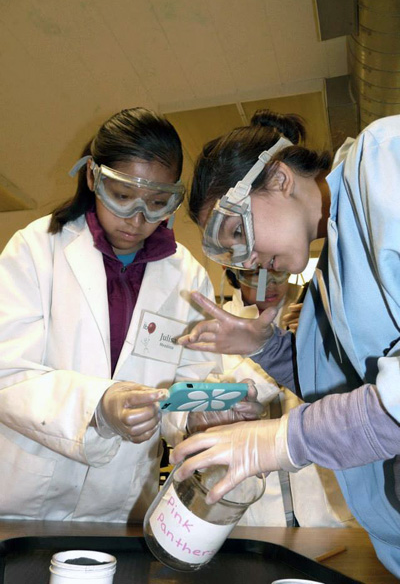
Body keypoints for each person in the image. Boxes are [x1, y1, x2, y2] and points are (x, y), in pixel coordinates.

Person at [0, 107, 262, 522]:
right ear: (92, 177)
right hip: (20, 500)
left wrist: (199, 412)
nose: (137, 219)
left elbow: (184, 386)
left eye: (158, 203)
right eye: (121, 196)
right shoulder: (34, 251)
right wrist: (99, 405)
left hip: (117, 507)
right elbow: (7, 373)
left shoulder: (187, 275)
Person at [171, 110, 400, 575]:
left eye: (237, 231)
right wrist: (265, 347)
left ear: (277, 179)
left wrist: (283, 439)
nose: (248, 258)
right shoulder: (327, 280)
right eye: (230, 251)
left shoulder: (386, 161)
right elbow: (340, 397)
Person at [223, 266, 357, 528]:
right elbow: (211, 398)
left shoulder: (317, 307)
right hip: (252, 503)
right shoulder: (220, 321)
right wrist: (276, 355)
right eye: (255, 274)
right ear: (233, 271)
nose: (269, 284)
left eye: (278, 273)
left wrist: (314, 343)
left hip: (324, 497)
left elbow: (348, 394)